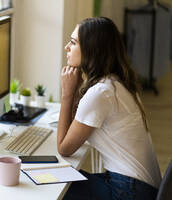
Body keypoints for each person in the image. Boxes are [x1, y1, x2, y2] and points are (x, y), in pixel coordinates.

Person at [57, 17, 162, 200]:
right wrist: (75, 93)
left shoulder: (100, 93)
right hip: (141, 187)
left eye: (73, 43)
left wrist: (67, 94)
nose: (67, 47)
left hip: (130, 191)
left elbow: (64, 148)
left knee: (54, 185)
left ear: (92, 50)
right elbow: (78, 125)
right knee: (60, 177)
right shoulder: (115, 83)